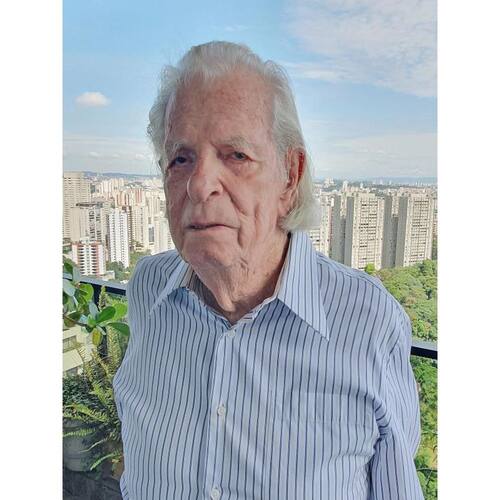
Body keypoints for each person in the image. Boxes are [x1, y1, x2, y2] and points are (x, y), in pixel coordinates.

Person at [112, 41, 424, 500]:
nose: (200, 184)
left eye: (236, 155)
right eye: (181, 158)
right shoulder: (148, 291)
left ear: (290, 176)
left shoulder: (369, 322)